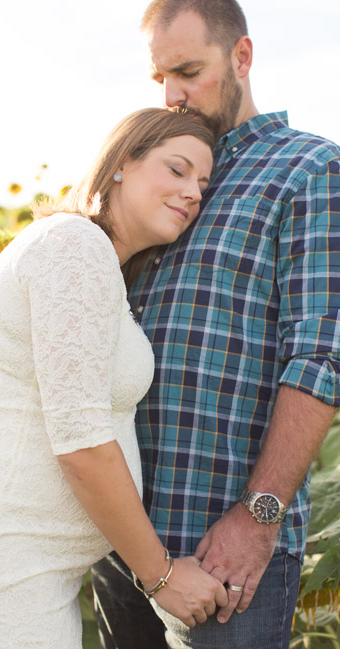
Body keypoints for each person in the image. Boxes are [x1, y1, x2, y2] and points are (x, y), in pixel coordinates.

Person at [0, 108, 227, 649]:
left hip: (23, 564)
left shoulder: (92, 259)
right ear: (121, 163)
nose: (194, 192)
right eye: (177, 170)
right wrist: (162, 576)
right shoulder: (73, 247)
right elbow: (80, 442)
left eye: (202, 182)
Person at [91, 2, 340, 648]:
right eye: (160, 79)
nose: (173, 95)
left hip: (223, 555)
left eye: (188, 71)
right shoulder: (159, 170)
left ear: (242, 58)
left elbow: (318, 358)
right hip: (123, 547)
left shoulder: (309, 171)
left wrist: (257, 519)